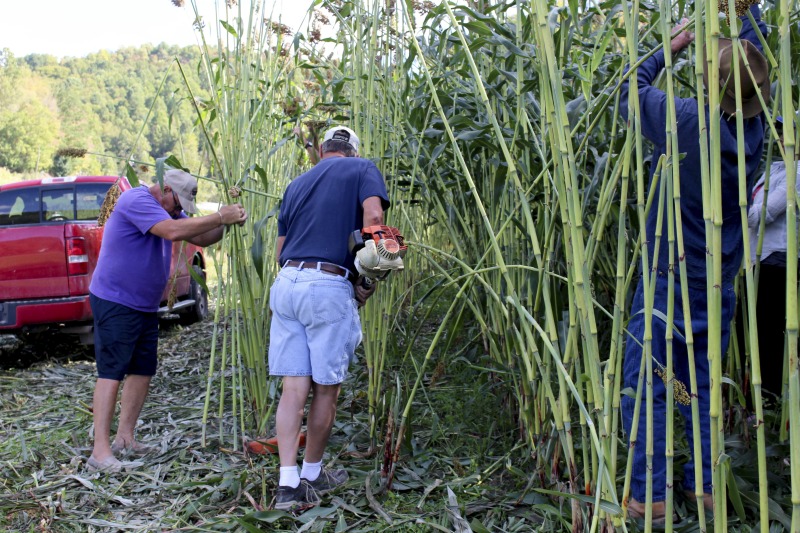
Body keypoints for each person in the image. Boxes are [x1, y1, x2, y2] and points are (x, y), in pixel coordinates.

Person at [619, 7, 769, 521]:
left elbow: (629, 86)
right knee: (702, 386)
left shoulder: (684, 119)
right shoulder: (756, 135)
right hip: (719, 279)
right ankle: (703, 487)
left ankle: (650, 495)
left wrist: (673, 45)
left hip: (669, 280)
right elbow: (760, 61)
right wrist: (746, 14)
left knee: (650, 386)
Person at [87, 169, 248, 472]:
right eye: (177, 204)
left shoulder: (167, 206)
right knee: (112, 371)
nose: (179, 211)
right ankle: (100, 451)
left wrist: (230, 222)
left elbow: (199, 235)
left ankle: (125, 438)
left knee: (142, 369)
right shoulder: (137, 200)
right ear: (165, 188)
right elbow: (174, 232)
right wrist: (219, 217)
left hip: (145, 305)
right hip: (116, 300)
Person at [268, 126, 389, 510]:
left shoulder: (295, 184)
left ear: (323, 150)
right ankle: (314, 473)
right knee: (326, 388)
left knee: (293, 389)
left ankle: (287, 484)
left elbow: (279, 251)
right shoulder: (362, 168)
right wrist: (371, 272)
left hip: (287, 284)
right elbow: (373, 215)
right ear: (352, 152)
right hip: (327, 283)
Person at [747, 115, 800, 398]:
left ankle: (773, 397)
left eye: (787, 133)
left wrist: (728, 203)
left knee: (769, 333)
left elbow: (760, 214)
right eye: (779, 132)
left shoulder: (798, 172)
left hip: (779, 261)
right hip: (760, 261)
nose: (780, 138)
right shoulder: (776, 168)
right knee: (758, 330)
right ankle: (766, 395)